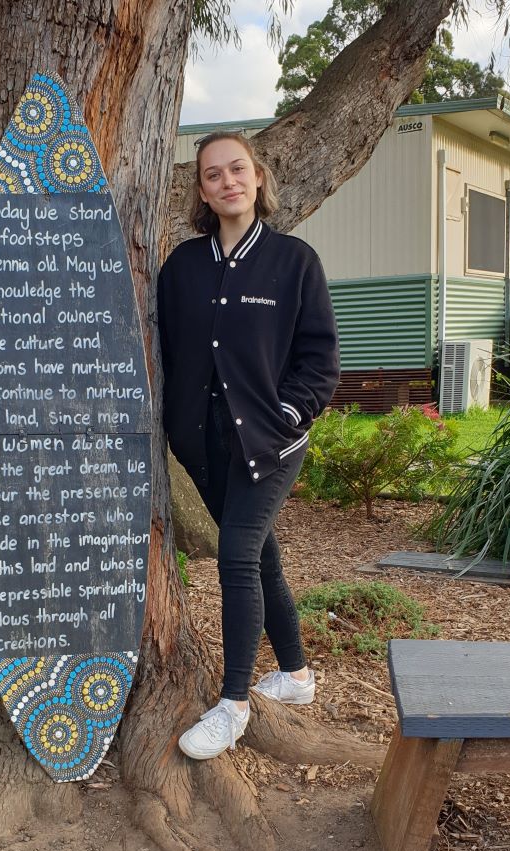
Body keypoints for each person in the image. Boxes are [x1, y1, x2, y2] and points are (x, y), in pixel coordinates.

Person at [157, 131, 340, 760]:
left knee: (236, 552)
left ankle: (233, 704)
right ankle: (294, 675)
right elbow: (171, 354)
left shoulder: (294, 261)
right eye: (213, 175)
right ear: (203, 192)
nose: (227, 181)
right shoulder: (181, 268)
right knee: (260, 554)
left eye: (237, 169)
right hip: (203, 443)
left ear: (258, 178)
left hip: (272, 439)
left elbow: (320, 359)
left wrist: (289, 414)